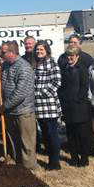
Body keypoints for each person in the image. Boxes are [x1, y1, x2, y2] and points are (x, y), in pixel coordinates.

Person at [0, 41, 38, 170]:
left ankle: (30, 169)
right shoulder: (5, 65)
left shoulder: (24, 67)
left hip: (23, 111)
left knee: (26, 143)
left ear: (12, 52)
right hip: (10, 112)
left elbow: (20, 93)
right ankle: (18, 167)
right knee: (14, 141)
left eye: (3, 52)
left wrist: (5, 105)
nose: (1, 54)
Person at [58, 45, 93, 167]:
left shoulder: (82, 69)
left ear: (77, 56)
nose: (69, 58)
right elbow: (61, 87)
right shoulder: (64, 69)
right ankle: (73, 158)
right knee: (71, 134)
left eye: (72, 56)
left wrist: (76, 99)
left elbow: (84, 87)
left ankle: (84, 158)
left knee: (82, 134)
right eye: (68, 56)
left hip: (79, 107)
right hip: (67, 107)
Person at [31, 41, 63, 170]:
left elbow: (57, 82)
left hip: (49, 105)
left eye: (41, 50)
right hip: (38, 106)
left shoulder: (52, 63)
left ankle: (55, 162)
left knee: (52, 134)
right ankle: (50, 158)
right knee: (44, 134)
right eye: (37, 50)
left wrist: (40, 93)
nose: (39, 52)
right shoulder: (34, 64)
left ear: (47, 51)